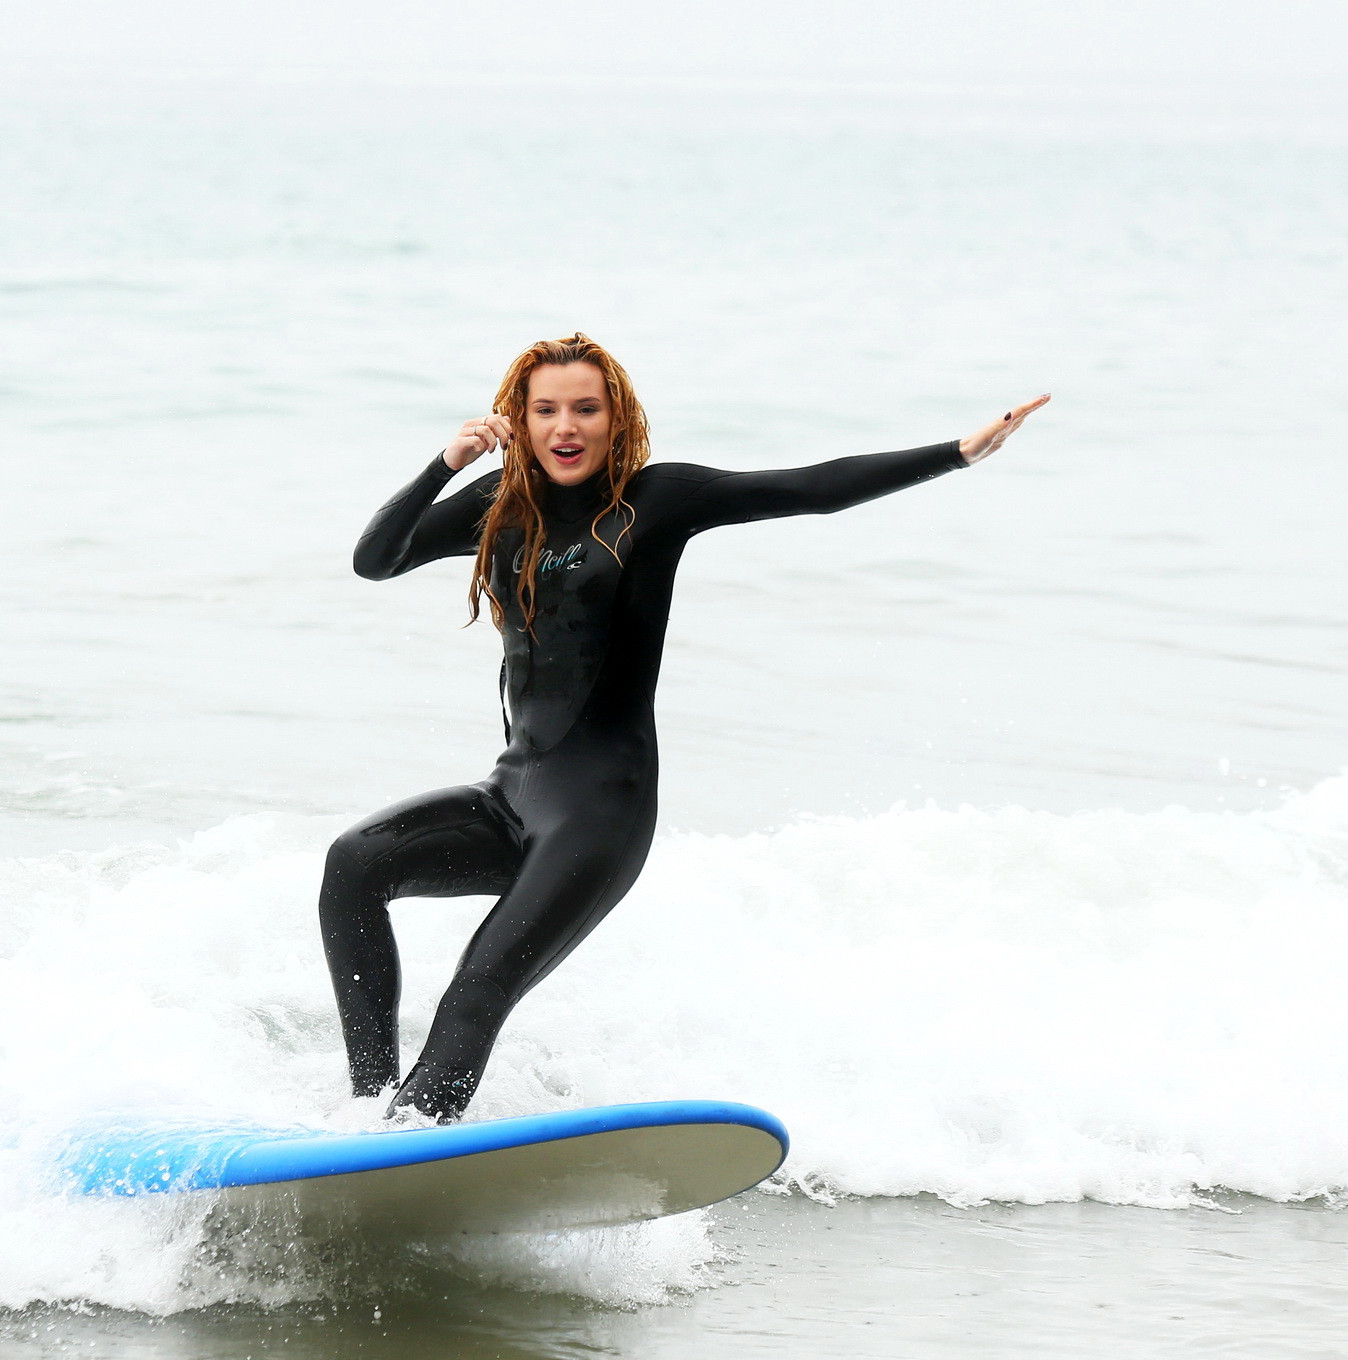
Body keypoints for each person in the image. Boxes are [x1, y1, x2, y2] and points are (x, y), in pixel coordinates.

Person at [321, 333, 1047, 1123]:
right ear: (518, 421)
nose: (567, 426)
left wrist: (958, 453)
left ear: (615, 416)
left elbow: (810, 489)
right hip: (511, 797)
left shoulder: (655, 501)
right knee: (354, 865)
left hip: (600, 815)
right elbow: (375, 560)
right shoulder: (498, 505)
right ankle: (366, 1118)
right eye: (547, 409)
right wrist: (446, 464)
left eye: (586, 408)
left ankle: (414, 1135)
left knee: (477, 985)